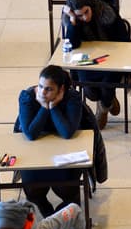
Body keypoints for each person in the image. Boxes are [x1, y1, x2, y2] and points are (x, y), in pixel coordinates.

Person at [16, 65, 84, 219]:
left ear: (61, 89)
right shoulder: (27, 97)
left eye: (49, 89)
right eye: (40, 86)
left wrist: (53, 107)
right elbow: (31, 134)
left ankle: (56, 224)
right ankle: (51, 221)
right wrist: (43, 107)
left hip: (64, 156)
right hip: (35, 157)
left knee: (69, 192)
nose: (42, 92)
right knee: (33, 192)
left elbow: (67, 133)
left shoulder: (71, 97)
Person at [63, 0, 130, 129]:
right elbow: (72, 44)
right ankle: (109, 100)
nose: (85, 17)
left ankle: (104, 107)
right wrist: (73, 21)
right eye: (79, 15)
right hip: (89, 61)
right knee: (88, 87)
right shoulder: (75, 20)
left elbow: (124, 40)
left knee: (108, 80)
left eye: (86, 12)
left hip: (113, 57)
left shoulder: (107, 13)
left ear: (91, 5)